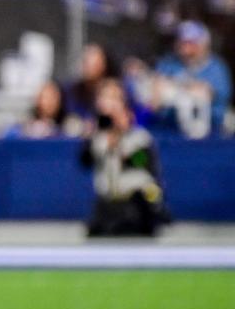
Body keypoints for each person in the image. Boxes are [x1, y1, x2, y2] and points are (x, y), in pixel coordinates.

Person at [80, 78, 168, 236]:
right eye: (105, 98)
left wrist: (122, 139)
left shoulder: (139, 136)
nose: (110, 105)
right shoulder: (97, 137)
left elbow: (145, 163)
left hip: (138, 202)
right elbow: (85, 161)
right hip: (109, 203)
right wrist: (91, 137)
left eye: (114, 98)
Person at [152, 20, 232, 137]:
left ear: (203, 45)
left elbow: (214, 94)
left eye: (191, 43)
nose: (186, 48)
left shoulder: (216, 67)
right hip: (169, 129)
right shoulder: (167, 64)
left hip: (211, 132)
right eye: (182, 42)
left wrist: (181, 88)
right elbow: (156, 96)